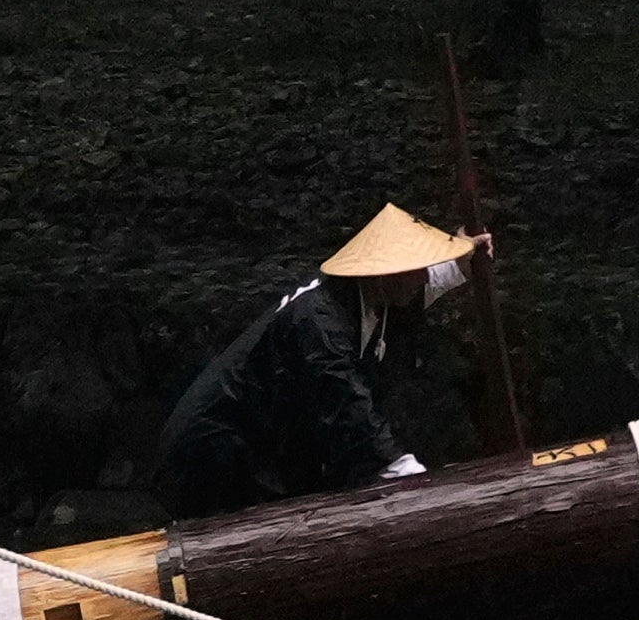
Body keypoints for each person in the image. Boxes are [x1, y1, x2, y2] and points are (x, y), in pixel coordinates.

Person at [155, 204, 473, 518]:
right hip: (212, 450)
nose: (421, 276)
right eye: (415, 268)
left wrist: (461, 259)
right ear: (384, 273)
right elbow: (346, 398)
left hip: (264, 441)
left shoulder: (373, 296)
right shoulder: (320, 320)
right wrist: (401, 470)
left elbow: (417, 290)